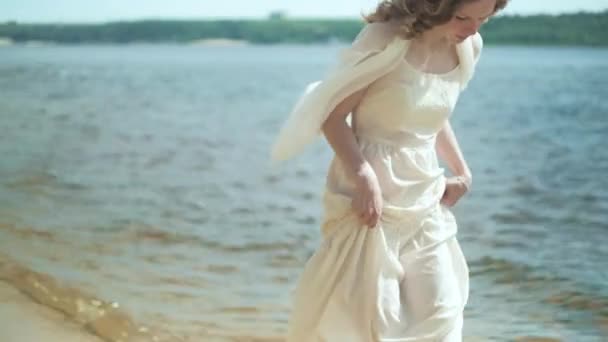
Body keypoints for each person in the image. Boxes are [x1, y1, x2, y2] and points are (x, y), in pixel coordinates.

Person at [271, 0, 509, 341]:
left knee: (440, 311)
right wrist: (364, 177)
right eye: (462, 17)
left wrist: (462, 171)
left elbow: (432, 115)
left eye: (483, 20)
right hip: (372, 193)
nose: (473, 29)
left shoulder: (469, 47)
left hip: (425, 191)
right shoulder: (385, 39)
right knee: (368, 317)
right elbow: (333, 117)